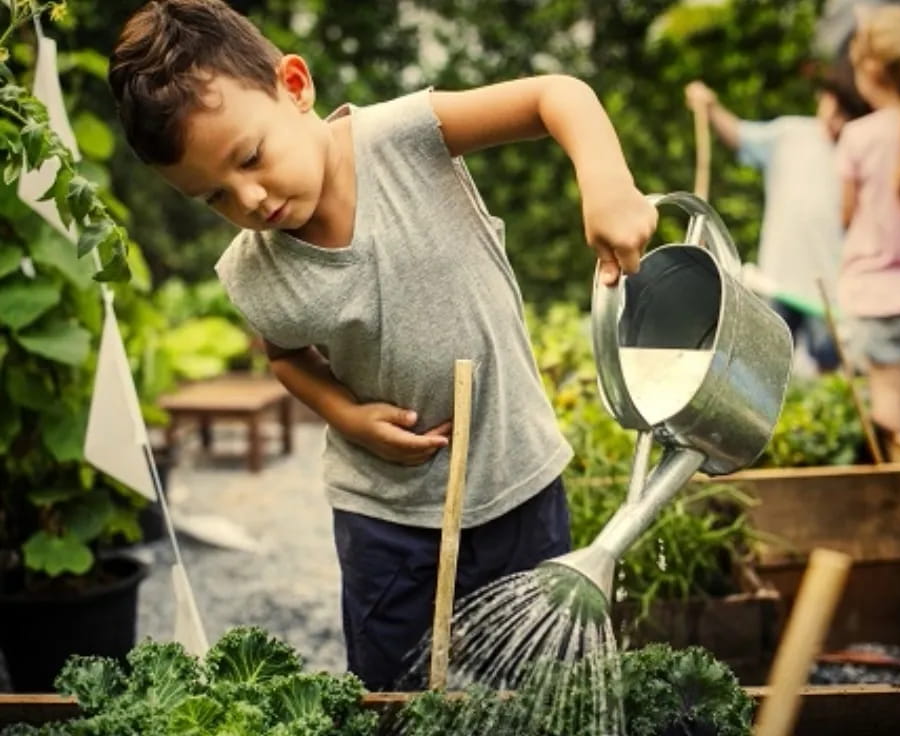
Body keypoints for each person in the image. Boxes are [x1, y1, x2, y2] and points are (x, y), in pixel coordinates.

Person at [107, 0, 657, 690]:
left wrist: (606, 181)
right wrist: (346, 415)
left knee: (538, 688)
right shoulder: (254, 272)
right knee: (390, 690)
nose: (248, 199)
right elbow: (286, 358)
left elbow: (557, 95)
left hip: (517, 479)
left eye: (251, 157)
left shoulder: (405, 137)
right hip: (383, 517)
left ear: (296, 87)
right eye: (213, 197)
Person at [684, 63, 870, 373]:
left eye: (846, 114)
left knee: (833, 371)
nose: (835, 120)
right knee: (765, 368)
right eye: (833, 107)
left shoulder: (859, 148)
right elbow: (741, 135)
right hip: (778, 278)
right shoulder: (791, 134)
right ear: (823, 98)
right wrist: (711, 107)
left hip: (831, 286)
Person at [837, 4, 900, 437]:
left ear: (869, 72)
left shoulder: (859, 136)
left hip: (876, 292)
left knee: (887, 402)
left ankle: (897, 496)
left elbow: (846, 214)